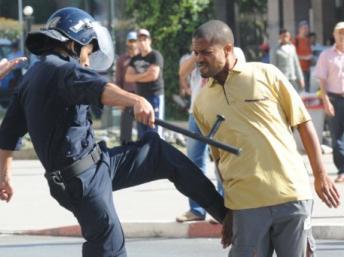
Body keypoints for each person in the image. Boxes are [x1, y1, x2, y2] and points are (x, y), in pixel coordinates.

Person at [0, 9, 228, 257]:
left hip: (95, 167)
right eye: (89, 50)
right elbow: (100, 87)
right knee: (110, 245)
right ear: (73, 43)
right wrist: (135, 100)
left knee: (157, 152)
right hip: (82, 180)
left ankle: (226, 216)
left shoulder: (32, 76)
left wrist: (5, 175)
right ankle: (227, 217)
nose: (88, 60)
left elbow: (8, 134)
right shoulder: (63, 69)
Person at [191, 20, 340, 257]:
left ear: (228, 49)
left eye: (206, 52)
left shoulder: (266, 74)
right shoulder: (201, 103)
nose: (199, 58)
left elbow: (303, 122)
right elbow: (220, 160)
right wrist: (229, 211)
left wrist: (321, 175)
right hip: (245, 205)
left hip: (292, 194)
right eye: (196, 52)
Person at [176, 46, 245, 222]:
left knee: (222, 160)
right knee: (193, 161)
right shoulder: (194, 56)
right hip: (196, 113)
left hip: (220, 111)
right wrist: (197, 54)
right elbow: (182, 72)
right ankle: (197, 209)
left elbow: (240, 78)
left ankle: (222, 207)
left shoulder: (233, 51)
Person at [314, 21, 344, 183]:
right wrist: (326, 101)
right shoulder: (326, 55)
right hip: (334, 99)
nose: (342, 36)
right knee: (336, 137)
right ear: (334, 35)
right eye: (340, 32)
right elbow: (322, 81)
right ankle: (342, 170)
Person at [125, 28, 164, 138]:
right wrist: (144, 74)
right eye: (140, 39)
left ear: (149, 40)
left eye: (145, 39)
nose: (142, 42)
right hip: (140, 97)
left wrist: (136, 77)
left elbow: (153, 76)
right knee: (141, 130)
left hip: (155, 96)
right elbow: (128, 77)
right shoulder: (135, 59)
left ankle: (156, 154)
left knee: (154, 128)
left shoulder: (155, 55)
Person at [114, 31, 139, 145]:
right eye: (130, 41)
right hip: (127, 96)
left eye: (134, 41)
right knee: (125, 131)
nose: (132, 44)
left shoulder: (144, 58)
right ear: (127, 43)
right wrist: (120, 98)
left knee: (144, 128)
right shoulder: (122, 60)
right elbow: (118, 80)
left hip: (142, 95)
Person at [271, 28, 304, 93]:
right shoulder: (275, 49)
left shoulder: (292, 48)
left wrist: (301, 78)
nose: (286, 38)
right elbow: (273, 65)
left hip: (292, 78)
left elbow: (296, 64)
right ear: (280, 37)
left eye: (287, 36)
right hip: (282, 78)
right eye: (284, 36)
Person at [294, 20, 312, 92]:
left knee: (307, 90)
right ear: (300, 29)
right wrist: (305, 58)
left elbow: (309, 53)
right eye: (305, 28)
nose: (307, 30)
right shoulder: (296, 40)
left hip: (307, 69)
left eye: (307, 28)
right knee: (300, 91)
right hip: (299, 70)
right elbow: (293, 56)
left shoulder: (307, 40)